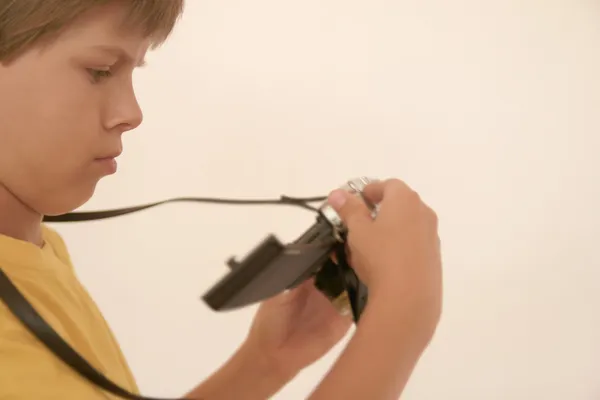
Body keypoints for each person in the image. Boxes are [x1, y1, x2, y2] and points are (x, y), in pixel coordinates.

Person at [0, 1, 443, 399]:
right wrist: (402, 318)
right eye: (99, 70)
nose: (132, 112)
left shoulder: (31, 250)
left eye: (133, 70)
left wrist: (265, 363)